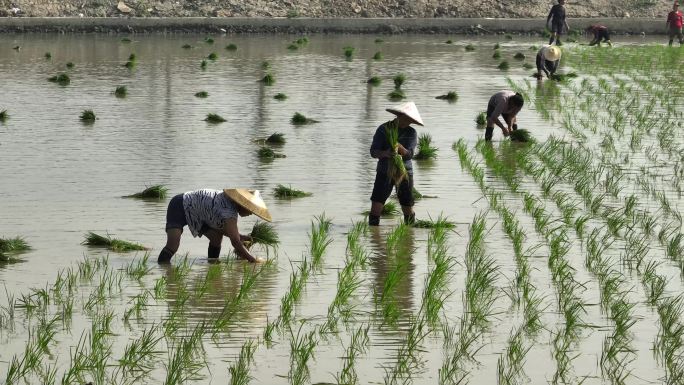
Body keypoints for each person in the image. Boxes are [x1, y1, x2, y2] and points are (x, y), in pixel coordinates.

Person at [158, 188, 271, 264]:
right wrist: (253, 260)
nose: (251, 213)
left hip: (199, 214)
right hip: (179, 205)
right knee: (173, 245)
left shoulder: (229, 204)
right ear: (243, 205)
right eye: (250, 210)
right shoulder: (229, 211)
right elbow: (235, 242)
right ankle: (162, 268)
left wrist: (239, 236)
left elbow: (226, 231)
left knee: (216, 238)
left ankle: (212, 265)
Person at [368, 101, 423, 226]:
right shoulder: (383, 129)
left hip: (404, 173)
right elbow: (373, 152)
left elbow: (410, 155)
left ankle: (409, 235)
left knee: (407, 206)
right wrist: (385, 153)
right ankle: (374, 236)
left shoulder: (411, 132)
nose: (409, 122)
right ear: (400, 115)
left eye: (411, 120)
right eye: (408, 118)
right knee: (376, 205)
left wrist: (401, 149)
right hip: (384, 171)